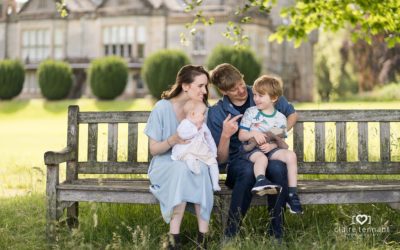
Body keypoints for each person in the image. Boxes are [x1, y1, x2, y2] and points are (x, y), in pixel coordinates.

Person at [207, 63, 298, 240]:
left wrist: (274, 136)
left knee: (278, 168)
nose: (242, 90)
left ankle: (276, 233)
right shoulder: (217, 113)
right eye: (234, 89)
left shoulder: (260, 91)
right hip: (238, 163)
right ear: (223, 91)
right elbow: (220, 160)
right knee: (248, 171)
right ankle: (231, 235)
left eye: (241, 83)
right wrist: (225, 135)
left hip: (269, 153)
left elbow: (292, 114)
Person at [144, 65, 213, 249]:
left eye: (206, 86)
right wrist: (173, 140)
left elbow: (203, 141)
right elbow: (154, 149)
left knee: (201, 168)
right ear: (185, 86)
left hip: (191, 159)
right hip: (165, 163)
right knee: (182, 168)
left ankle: (203, 237)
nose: (204, 91)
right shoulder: (161, 108)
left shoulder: (201, 109)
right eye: (200, 86)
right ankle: (174, 239)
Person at [238, 75, 303, 214]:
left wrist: (271, 146)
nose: (256, 99)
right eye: (254, 95)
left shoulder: (280, 118)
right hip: (252, 150)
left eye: (261, 95)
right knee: (262, 158)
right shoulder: (251, 112)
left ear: (273, 98)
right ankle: (261, 181)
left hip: (271, 149)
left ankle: (292, 195)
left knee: (291, 156)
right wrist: (253, 134)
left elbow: (277, 140)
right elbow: (241, 135)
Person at [171, 99, 221, 191]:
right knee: (189, 156)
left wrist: (213, 151)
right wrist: (196, 130)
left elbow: (209, 138)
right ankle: (192, 166)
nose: (205, 116)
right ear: (193, 114)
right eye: (203, 114)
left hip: (202, 150)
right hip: (188, 149)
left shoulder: (204, 126)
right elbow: (182, 134)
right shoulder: (185, 123)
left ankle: (215, 184)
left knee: (213, 162)